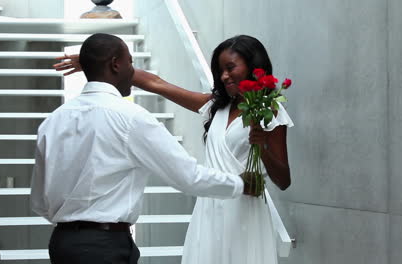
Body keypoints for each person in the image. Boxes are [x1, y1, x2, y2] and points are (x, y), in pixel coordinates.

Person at [53, 34, 293, 264]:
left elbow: (283, 180)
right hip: (209, 207)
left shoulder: (270, 111)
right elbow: (157, 84)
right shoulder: (214, 107)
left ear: (253, 66)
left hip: (245, 209)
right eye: (220, 70)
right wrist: (97, 66)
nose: (224, 76)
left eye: (230, 68)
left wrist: (261, 145)